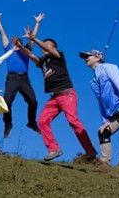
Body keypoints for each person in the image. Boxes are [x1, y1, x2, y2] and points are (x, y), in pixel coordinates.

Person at [22, 23, 97, 161]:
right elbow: (32, 56)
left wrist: (34, 39)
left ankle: (90, 151)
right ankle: (53, 148)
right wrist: (21, 46)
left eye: (48, 45)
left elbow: (46, 48)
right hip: (55, 97)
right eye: (44, 46)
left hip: (67, 94)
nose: (45, 48)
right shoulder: (43, 61)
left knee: (73, 121)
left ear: (54, 48)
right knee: (43, 120)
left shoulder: (58, 55)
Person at [0, 10, 41, 137]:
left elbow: (33, 38)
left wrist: (37, 23)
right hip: (12, 78)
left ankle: (31, 122)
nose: (15, 42)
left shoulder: (26, 50)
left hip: (24, 78)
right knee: (7, 102)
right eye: (13, 40)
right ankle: (8, 124)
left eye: (17, 41)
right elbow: (2, 33)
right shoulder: (8, 49)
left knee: (33, 101)